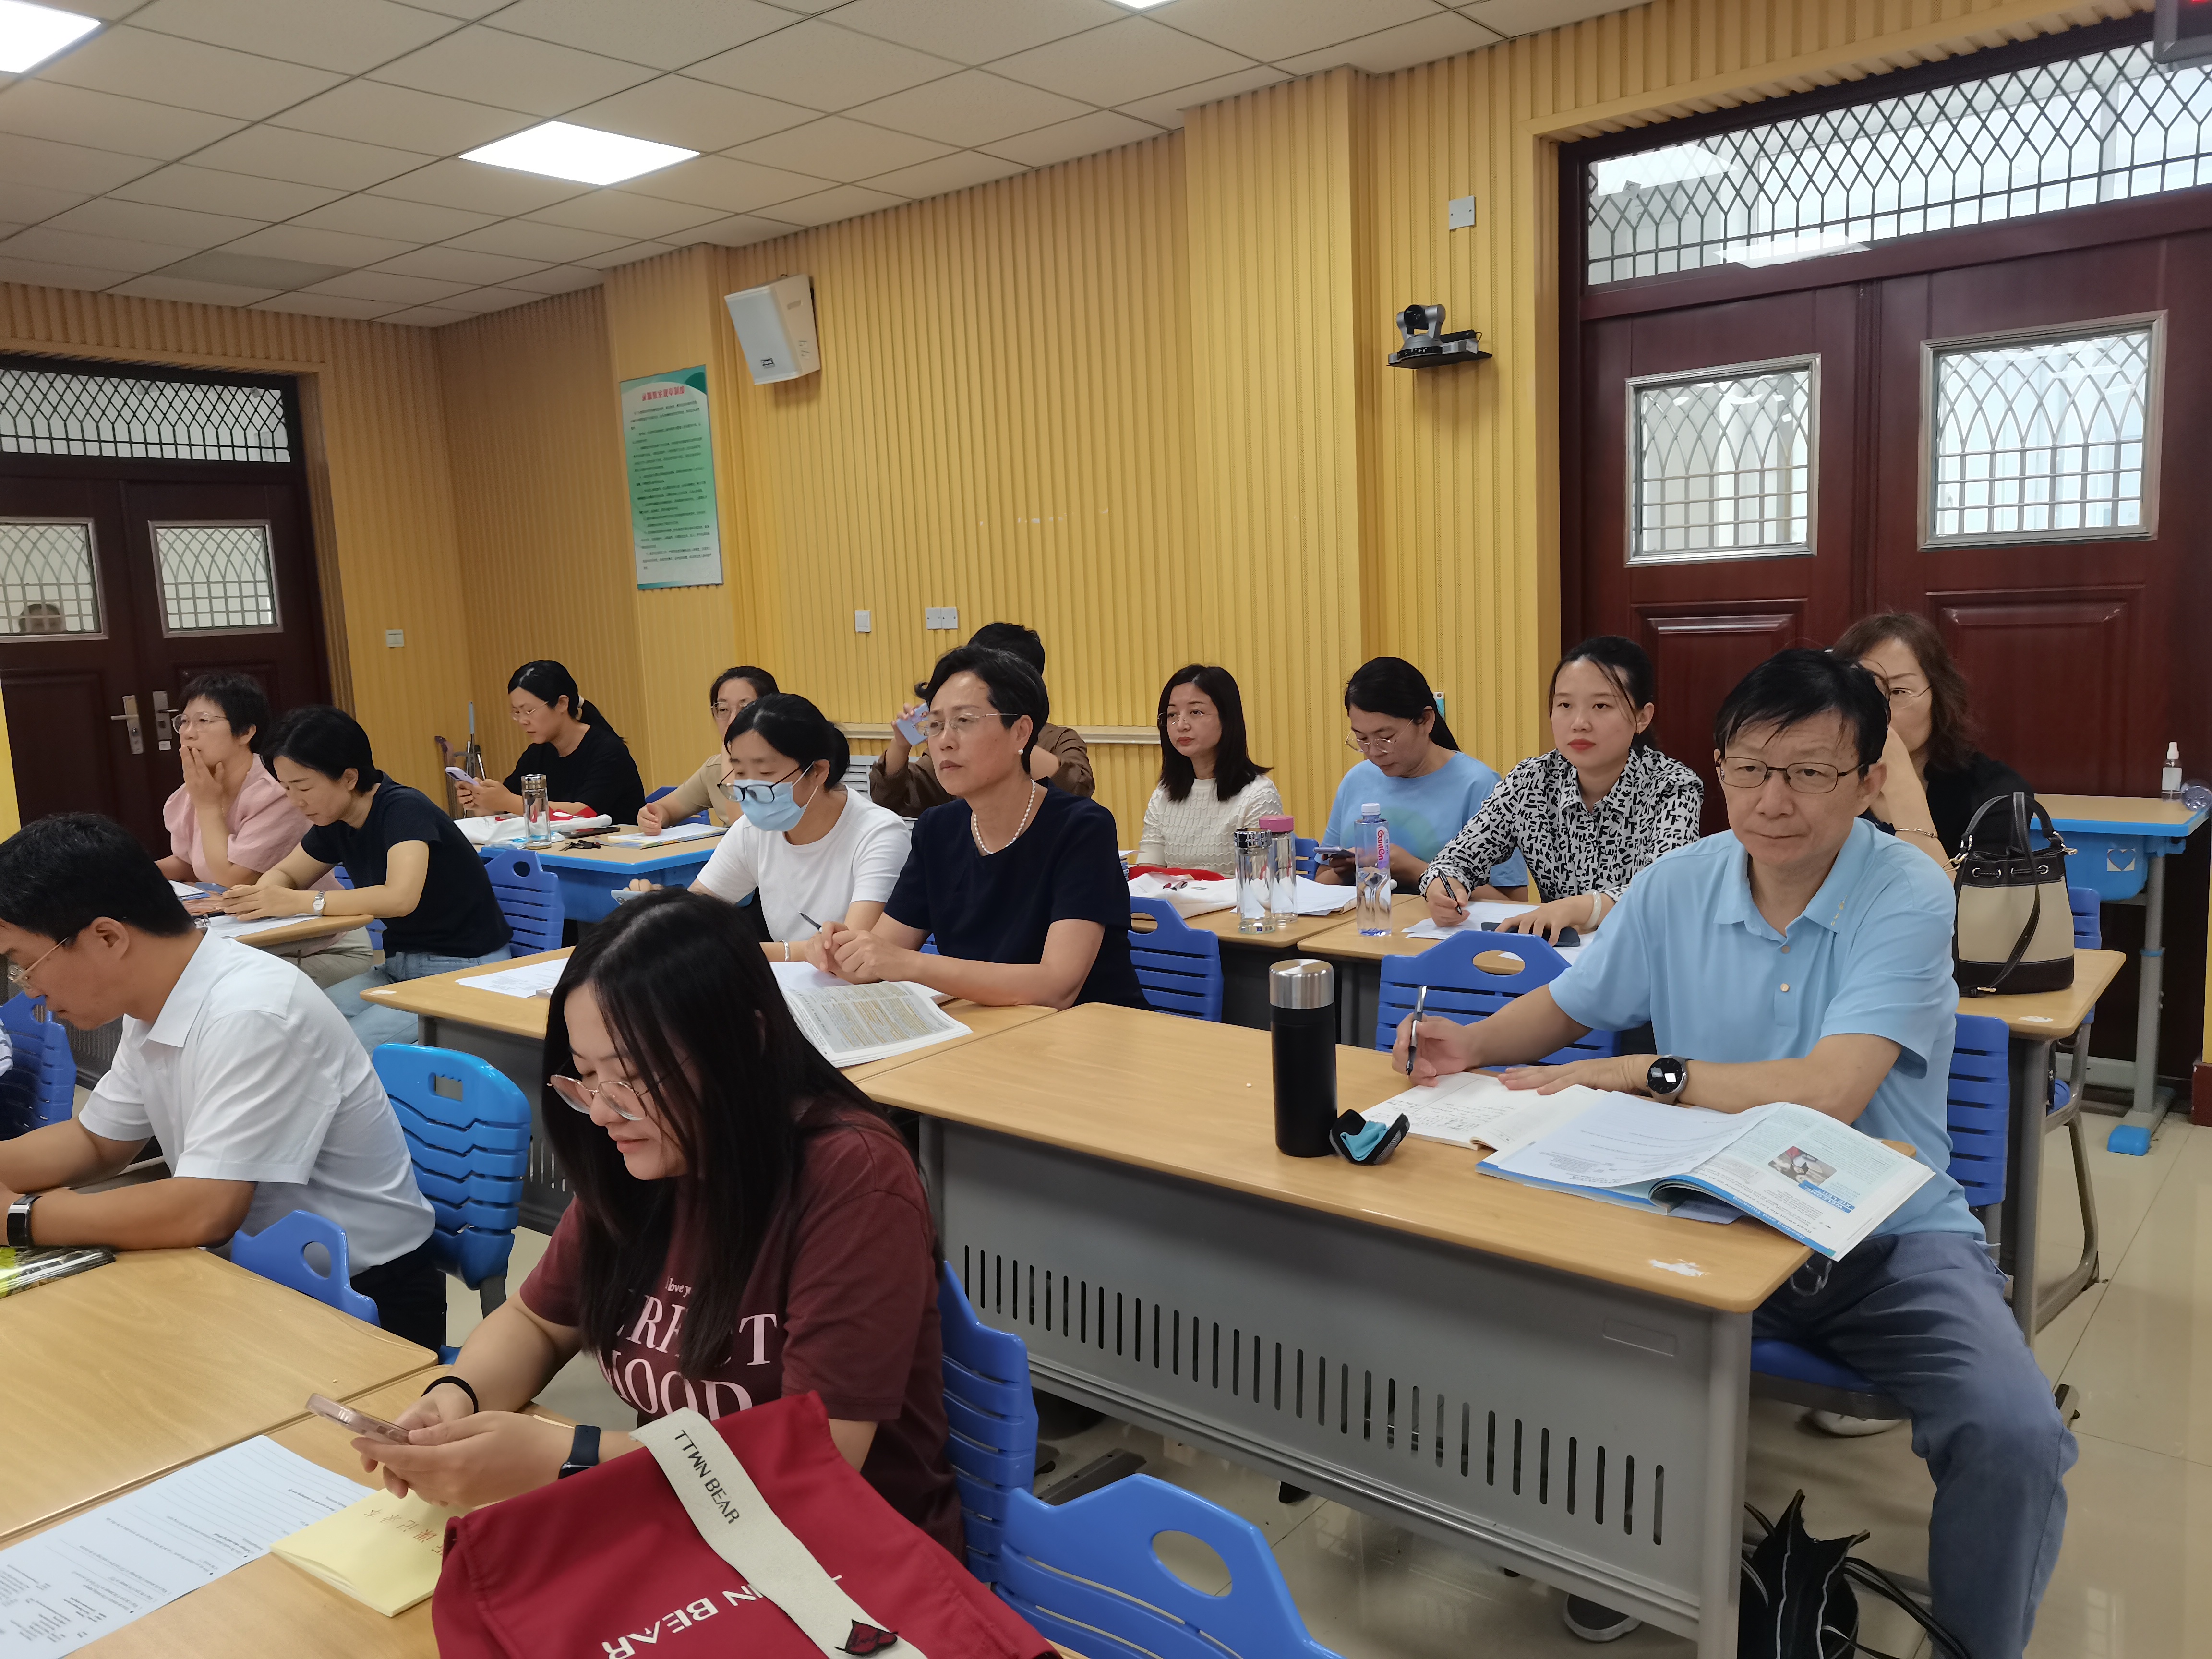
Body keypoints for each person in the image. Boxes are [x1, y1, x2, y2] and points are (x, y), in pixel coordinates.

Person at [1395, 649, 2072, 1656]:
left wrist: (1645, 1073)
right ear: (1717, 767)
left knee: (2013, 1433)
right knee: (1522, 1321)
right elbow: (1572, 1004)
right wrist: (1472, 1044)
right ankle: (1614, 1550)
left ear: (1869, 782)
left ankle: (1975, 1642)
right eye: (1749, 769)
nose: (1772, 800)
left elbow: (1832, 1091)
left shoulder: (1908, 893)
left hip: (1883, 1234)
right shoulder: (1677, 884)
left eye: (1809, 772)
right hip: (1700, 1215)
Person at [352, 890, 962, 1554]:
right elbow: (538, 1321)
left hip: (843, 1556)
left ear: (747, 1043)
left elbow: (821, 1457)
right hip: (686, 1530)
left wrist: (570, 1457)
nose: (602, 1110)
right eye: (586, 1076)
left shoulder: (853, 1179)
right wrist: (457, 1394)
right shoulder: (644, 1160)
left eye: (631, 1076)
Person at [0, 815, 442, 1347]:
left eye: (26, 964)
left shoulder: (252, 1012)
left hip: (358, 1298)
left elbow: (204, 1210)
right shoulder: (155, 1000)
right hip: (256, 1276)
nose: (28, 988)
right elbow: (97, 1142)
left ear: (108, 937)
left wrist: (19, 1217)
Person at [829, 646, 1144, 1010]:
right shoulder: (937, 829)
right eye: (935, 725)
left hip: (1088, 1032)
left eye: (964, 721)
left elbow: (1057, 987)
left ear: (1020, 733)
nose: (944, 741)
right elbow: (882, 955)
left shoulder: (1082, 827)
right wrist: (840, 951)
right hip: (988, 1027)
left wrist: (911, 965)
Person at [228, 707, 511, 1052]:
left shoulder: (403, 809)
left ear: (349, 778)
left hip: (463, 969)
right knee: (297, 1027)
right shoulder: (335, 820)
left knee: (341, 1050)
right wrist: (263, 895)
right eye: (286, 788)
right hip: (398, 967)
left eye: (303, 786)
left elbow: (399, 899)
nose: (295, 801)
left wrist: (300, 901)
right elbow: (287, 873)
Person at [1420, 637, 1703, 940]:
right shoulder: (1531, 782)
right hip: (1556, 957)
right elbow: (1454, 860)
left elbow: (1665, 892)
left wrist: (1578, 909)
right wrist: (1443, 887)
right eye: (1565, 705)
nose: (1579, 723)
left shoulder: (1673, 787)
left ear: (1642, 717)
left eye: (1601, 706)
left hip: (1645, 956)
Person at [154, 671, 373, 990]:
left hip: (321, 945)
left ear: (245, 732)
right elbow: (189, 862)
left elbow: (232, 879)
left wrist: (208, 807)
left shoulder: (277, 791)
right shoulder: (196, 791)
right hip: (254, 940)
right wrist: (128, 875)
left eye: (203, 721)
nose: (188, 733)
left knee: (208, 989)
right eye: (184, 722)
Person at [684, 694, 912, 966]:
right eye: (740, 773)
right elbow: (695, 912)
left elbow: (852, 952)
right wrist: (663, 907)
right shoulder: (753, 830)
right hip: (791, 982)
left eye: (765, 774)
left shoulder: (878, 834)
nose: (750, 789)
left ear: (817, 772)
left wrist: (744, 954)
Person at [1835, 611, 2029, 869]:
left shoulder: (1995, 794)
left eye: (1898, 692)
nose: (1880, 712)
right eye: (1863, 692)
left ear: (1939, 696)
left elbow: (1964, 898)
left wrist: (1902, 787)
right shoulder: (1821, 780)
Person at [1316, 657, 1526, 893]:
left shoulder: (1479, 785)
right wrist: (1355, 868)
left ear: (1425, 720)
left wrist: (1414, 869)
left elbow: (1512, 902)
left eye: (1386, 738)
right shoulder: (1356, 780)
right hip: (1366, 917)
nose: (1373, 752)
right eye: (1362, 739)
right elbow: (1321, 881)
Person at [870, 622, 1094, 816]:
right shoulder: (950, 745)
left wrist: (1009, 736)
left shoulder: (1058, 739)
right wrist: (902, 743)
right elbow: (890, 797)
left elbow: (1078, 789)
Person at [454, 661, 647, 827]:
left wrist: (507, 801)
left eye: (529, 711)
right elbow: (509, 805)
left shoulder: (608, 751)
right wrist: (483, 801)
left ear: (562, 704)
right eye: (517, 713)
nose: (523, 721)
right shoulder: (537, 753)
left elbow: (584, 813)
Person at [1133, 664, 1284, 875]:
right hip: (1174, 897)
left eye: (1196, 712)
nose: (1181, 725)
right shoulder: (1164, 795)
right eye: (1172, 715)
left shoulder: (1258, 795)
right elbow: (1149, 873)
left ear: (1227, 718)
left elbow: (1261, 880)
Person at [638, 665, 777, 834]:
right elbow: (666, 809)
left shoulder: (788, 767)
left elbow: (745, 827)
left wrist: (730, 755)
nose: (732, 721)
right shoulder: (714, 769)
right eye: (723, 710)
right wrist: (653, 817)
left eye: (745, 709)